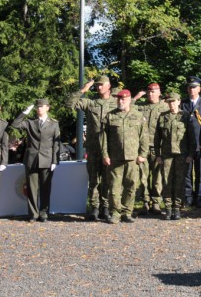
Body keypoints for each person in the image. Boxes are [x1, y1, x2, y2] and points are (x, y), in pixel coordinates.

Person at [66, 75, 118, 221]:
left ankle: (105, 207)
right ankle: (94, 207)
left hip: (110, 147)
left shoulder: (116, 103)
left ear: (109, 86)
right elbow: (70, 103)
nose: (99, 87)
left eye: (102, 85)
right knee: (94, 178)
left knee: (107, 178)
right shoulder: (90, 103)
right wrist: (84, 89)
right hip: (93, 146)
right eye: (97, 85)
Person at [101, 89, 148, 224]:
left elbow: (144, 137)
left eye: (123, 99)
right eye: (119, 99)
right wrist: (105, 154)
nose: (120, 101)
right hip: (115, 158)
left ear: (129, 100)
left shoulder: (138, 116)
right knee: (114, 187)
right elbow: (103, 138)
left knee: (131, 186)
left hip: (133, 158)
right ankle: (115, 212)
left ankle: (127, 212)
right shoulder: (110, 116)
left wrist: (142, 154)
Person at [10, 98, 61, 222]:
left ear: (47, 108)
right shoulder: (30, 122)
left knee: (45, 188)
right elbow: (15, 124)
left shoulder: (54, 124)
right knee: (32, 188)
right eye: (37, 107)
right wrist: (25, 112)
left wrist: (55, 161)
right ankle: (33, 213)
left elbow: (56, 144)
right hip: (31, 159)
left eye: (41, 106)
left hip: (47, 159)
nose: (39, 109)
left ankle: (44, 213)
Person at [155, 92, 194, 220]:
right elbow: (157, 138)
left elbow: (191, 137)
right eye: (169, 102)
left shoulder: (185, 116)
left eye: (173, 101)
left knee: (180, 181)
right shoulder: (163, 117)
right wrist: (158, 155)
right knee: (166, 180)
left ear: (179, 102)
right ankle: (168, 207)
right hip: (166, 154)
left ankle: (177, 208)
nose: (171, 104)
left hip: (182, 154)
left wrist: (191, 154)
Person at [137, 82, 168, 216]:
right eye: (149, 92)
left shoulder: (165, 107)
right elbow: (126, 106)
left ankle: (156, 202)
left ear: (159, 93)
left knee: (158, 177)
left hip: (158, 148)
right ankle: (145, 202)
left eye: (153, 92)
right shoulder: (141, 107)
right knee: (142, 176)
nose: (151, 94)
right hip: (142, 147)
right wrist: (137, 97)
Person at [181, 76, 201, 208]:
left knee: (200, 172)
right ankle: (188, 197)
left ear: (199, 89)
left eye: (194, 87)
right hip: (186, 144)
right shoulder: (182, 103)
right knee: (187, 172)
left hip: (200, 143)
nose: (191, 90)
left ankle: (199, 197)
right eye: (189, 87)